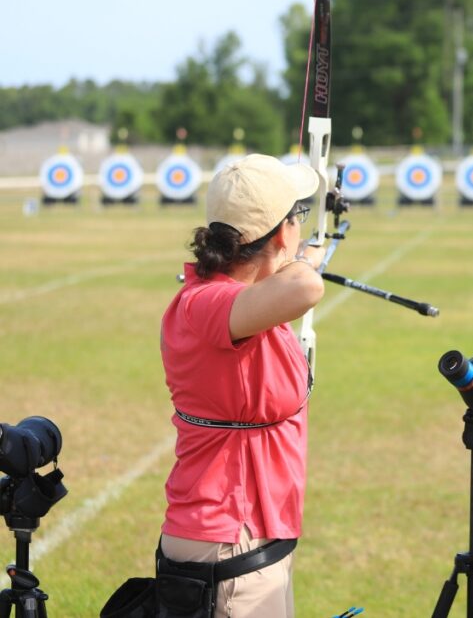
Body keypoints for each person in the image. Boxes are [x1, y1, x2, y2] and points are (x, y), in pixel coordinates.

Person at [158, 153, 326, 617]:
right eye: (297, 215)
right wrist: (302, 262)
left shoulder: (241, 302)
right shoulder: (207, 303)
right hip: (230, 540)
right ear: (281, 233)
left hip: (248, 539)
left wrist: (295, 258)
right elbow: (306, 289)